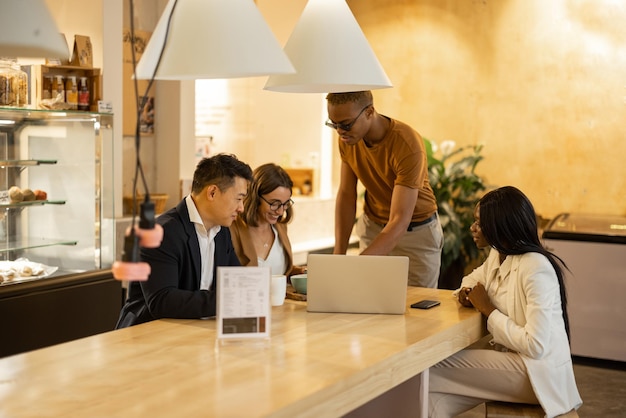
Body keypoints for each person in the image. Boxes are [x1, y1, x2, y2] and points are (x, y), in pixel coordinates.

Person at [428, 186, 582, 417]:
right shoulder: (498, 254)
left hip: (536, 374)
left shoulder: (535, 267)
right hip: (513, 365)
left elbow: (536, 345)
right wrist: (466, 291)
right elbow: (473, 278)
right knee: (430, 399)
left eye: (480, 223)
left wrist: (488, 310)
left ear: (500, 226)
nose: (473, 228)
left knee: (430, 369)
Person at [115, 153, 253, 328]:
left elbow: (236, 281)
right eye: (239, 199)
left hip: (194, 332)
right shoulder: (162, 232)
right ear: (212, 192)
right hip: (149, 337)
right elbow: (162, 301)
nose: (241, 208)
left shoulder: (222, 231)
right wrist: (228, 300)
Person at [326, 91, 443, 287]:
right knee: (365, 304)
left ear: (369, 112)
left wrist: (356, 265)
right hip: (373, 226)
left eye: (345, 124)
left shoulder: (406, 144)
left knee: (415, 311)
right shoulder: (348, 138)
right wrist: (339, 256)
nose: (340, 131)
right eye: (333, 124)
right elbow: (346, 195)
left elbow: (399, 220)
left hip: (416, 234)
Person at [230, 163, 306, 277]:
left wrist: (298, 272)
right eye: (274, 203)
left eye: (285, 204)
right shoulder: (232, 228)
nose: (280, 212)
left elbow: (277, 270)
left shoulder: (279, 226)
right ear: (255, 197)